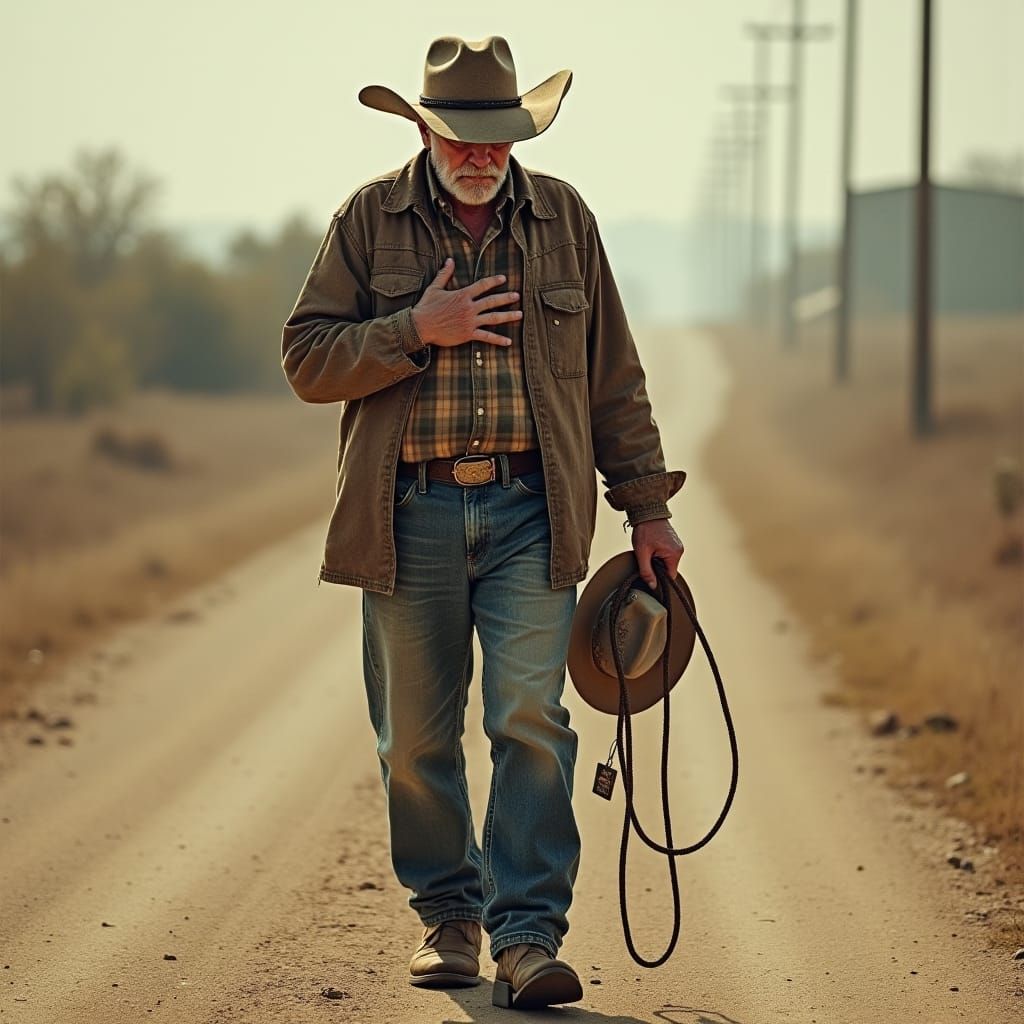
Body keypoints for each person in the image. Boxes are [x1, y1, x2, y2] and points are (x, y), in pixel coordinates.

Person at [281, 35, 685, 1011]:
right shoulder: (367, 221)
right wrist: (416, 330)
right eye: (460, 136)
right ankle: (449, 920)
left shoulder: (566, 223)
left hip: (528, 510)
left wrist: (649, 509)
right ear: (422, 130)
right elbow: (305, 358)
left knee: (530, 721)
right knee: (414, 740)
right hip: (408, 509)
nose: (479, 154)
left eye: (496, 138)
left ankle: (528, 935)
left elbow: (613, 381)